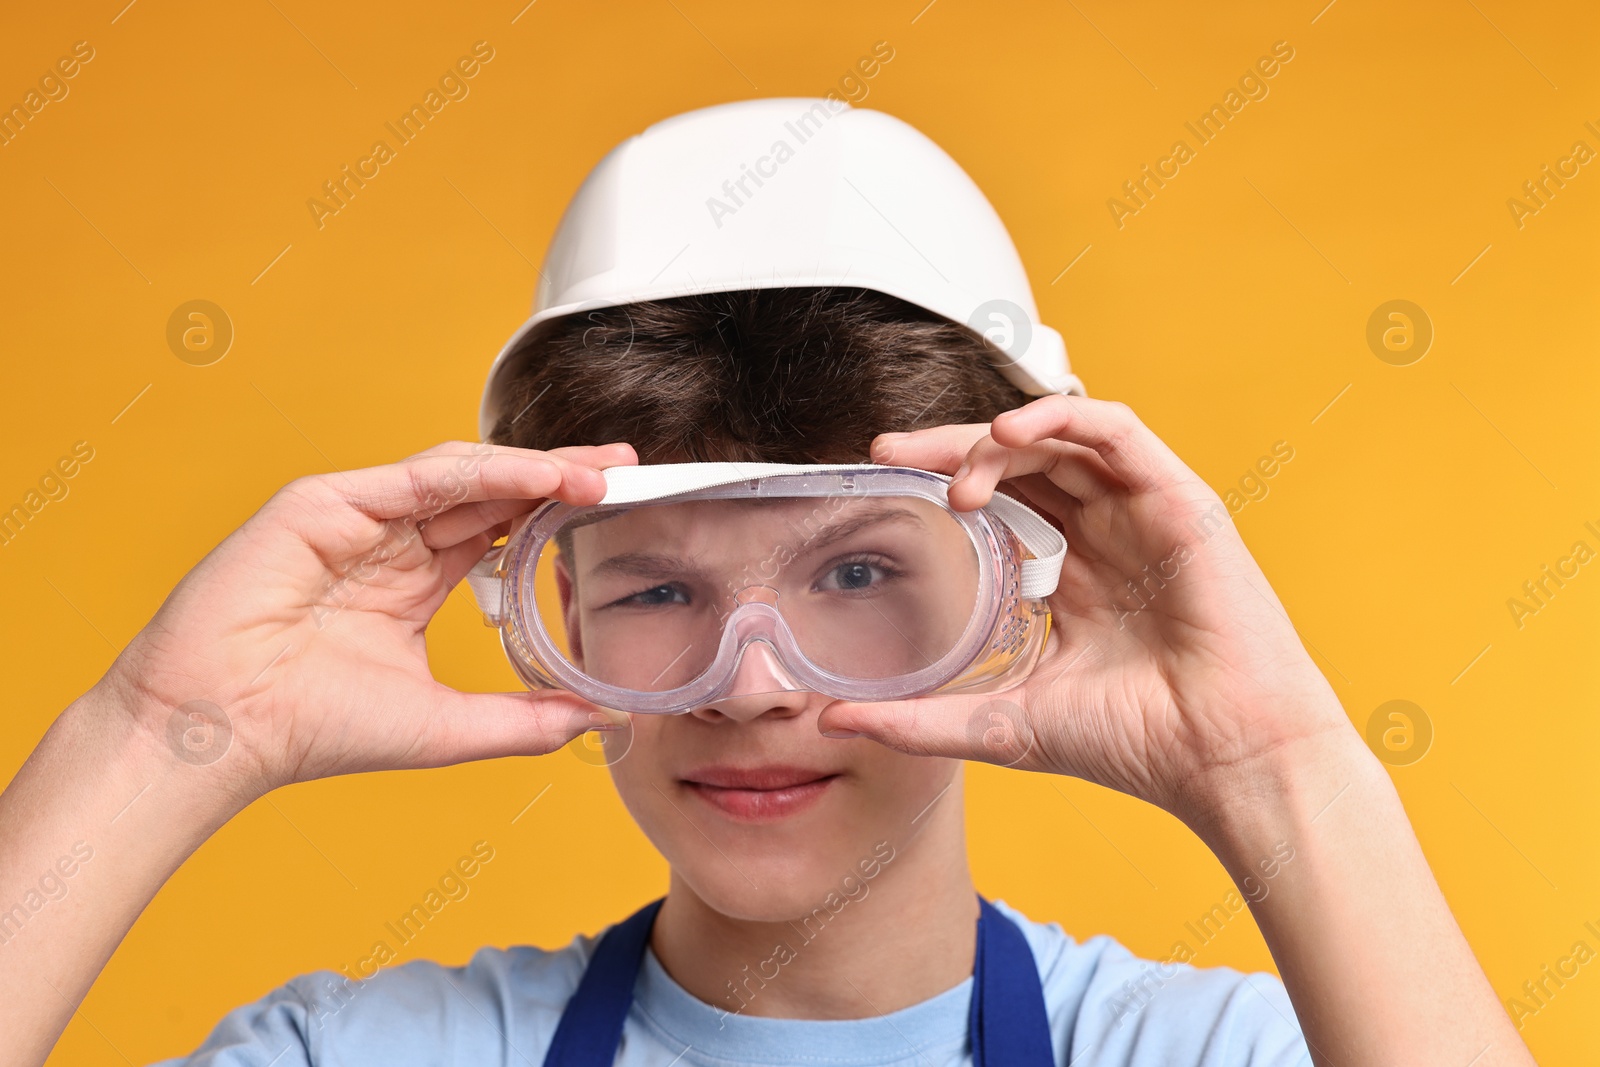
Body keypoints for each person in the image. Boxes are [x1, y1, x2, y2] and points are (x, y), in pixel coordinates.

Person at [0, 99, 1532, 1067]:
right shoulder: (364, 1054)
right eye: (657, 592)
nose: (751, 683)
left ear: (1021, 584)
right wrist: (156, 736)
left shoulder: (1233, 1055)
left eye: (856, 568)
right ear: (551, 616)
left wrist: (1276, 765)